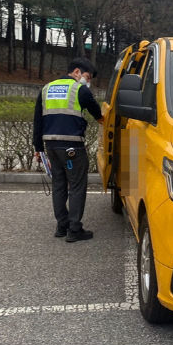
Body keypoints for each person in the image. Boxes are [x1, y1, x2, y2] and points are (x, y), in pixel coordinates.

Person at [33, 57, 103, 242]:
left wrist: (38, 149)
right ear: (77, 72)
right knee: (77, 186)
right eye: (87, 77)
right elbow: (98, 114)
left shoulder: (46, 89)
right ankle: (74, 229)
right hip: (72, 147)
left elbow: (37, 120)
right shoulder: (79, 90)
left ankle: (61, 226)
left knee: (59, 184)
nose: (88, 82)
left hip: (51, 146)